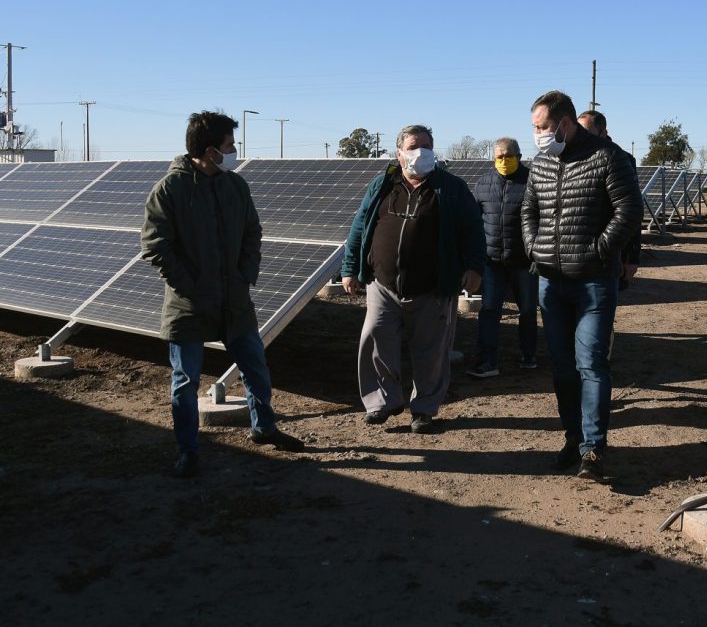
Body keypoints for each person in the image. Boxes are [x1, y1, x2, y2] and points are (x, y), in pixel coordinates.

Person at [142, 111, 304, 479]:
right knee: (185, 382)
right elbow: (154, 245)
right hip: (188, 305)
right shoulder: (170, 189)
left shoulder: (235, 186)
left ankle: (264, 428)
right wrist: (190, 284)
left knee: (256, 369)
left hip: (235, 300)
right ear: (210, 150)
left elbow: (252, 232)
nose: (235, 152)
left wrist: (245, 274)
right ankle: (188, 450)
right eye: (230, 145)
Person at [522, 92, 642, 481]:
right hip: (550, 283)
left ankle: (593, 449)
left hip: (593, 282)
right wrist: (533, 247)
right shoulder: (540, 163)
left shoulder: (607, 157)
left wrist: (599, 250)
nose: (538, 135)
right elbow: (529, 211)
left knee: (590, 364)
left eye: (543, 127)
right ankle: (572, 439)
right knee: (561, 368)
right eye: (535, 128)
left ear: (565, 123)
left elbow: (629, 211)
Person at [341, 125, 485, 434]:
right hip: (383, 283)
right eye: (414, 146)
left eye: (427, 146)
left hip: (432, 286)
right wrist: (350, 268)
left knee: (431, 352)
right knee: (376, 338)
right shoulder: (382, 185)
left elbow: (473, 230)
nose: (422, 152)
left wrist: (474, 268)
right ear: (399, 153)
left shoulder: (452, 188)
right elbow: (359, 228)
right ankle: (382, 402)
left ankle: (424, 410)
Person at [466, 137, 538, 379]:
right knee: (489, 310)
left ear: (518, 156)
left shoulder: (533, 181)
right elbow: (474, 221)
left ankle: (529, 355)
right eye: (499, 156)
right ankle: (487, 361)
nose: (503, 161)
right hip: (493, 261)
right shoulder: (484, 183)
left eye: (508, 156)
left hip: (524, 261)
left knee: (527, 310)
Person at [578, 110, 641, 289]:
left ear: (602, 132)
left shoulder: (622, 160)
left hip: (611, 251)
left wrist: (631, 257)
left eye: (586, 132)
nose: (581, 138)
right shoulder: (573, 159)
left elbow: (631, 211)